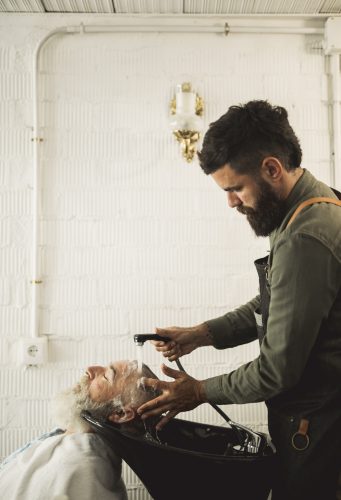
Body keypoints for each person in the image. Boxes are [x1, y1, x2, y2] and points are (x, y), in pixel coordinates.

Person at [137, 100, 341, 499]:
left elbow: (277, 370)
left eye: (234, 188)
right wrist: (202, 334)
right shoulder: (311, 206)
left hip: (320, 428)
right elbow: (275, 302)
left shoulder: (305, 235)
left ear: (271, 168)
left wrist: (198, 391)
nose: (231, 202)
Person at [0, 360, 158, 500]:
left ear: (120, 413)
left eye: (106, 376)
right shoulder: (72, 443)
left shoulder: (81, 468)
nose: (90, 369)